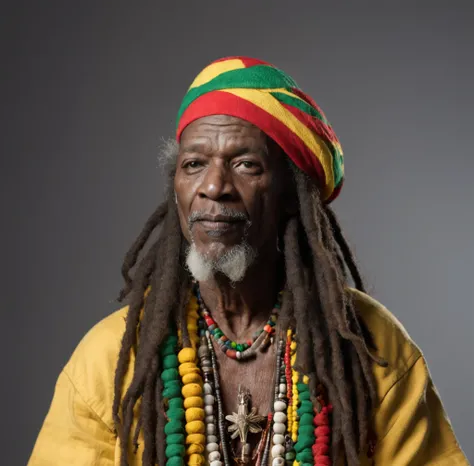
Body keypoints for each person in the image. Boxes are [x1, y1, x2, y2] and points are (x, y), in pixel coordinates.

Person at [28, 56, 469, 466]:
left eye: (245, 165)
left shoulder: (370, 346)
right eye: (194, 164)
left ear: (292, 196)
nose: (214, 186)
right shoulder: (108, 360)